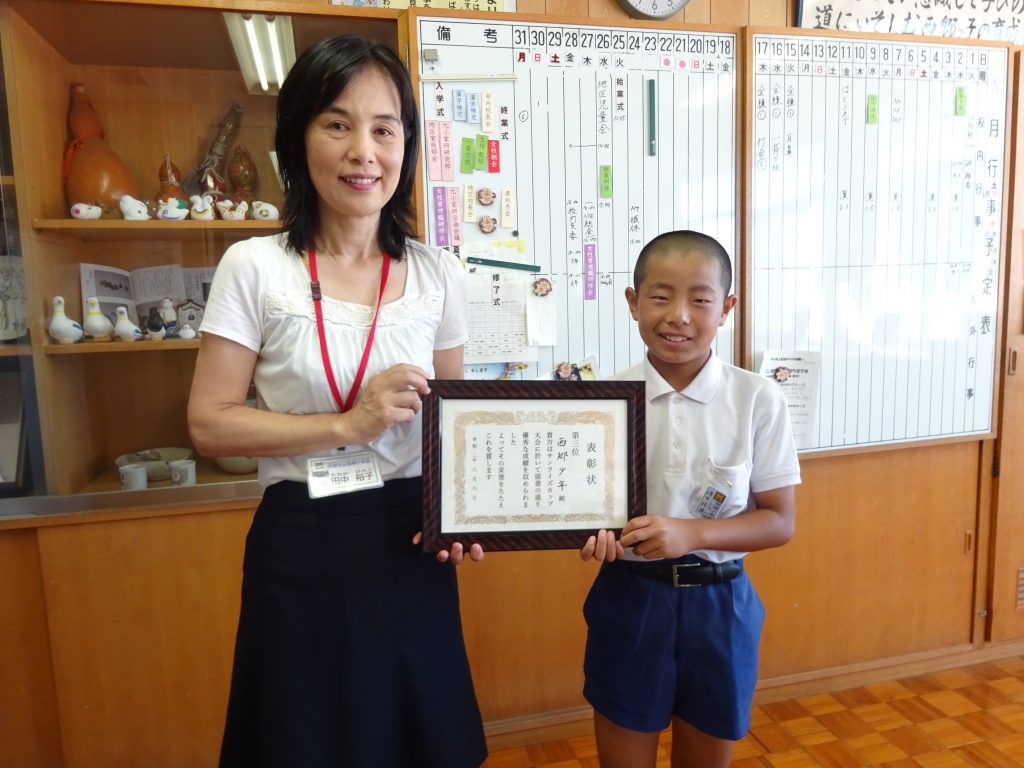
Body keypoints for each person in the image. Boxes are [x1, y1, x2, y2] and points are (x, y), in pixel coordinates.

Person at [187, 35, 487, 768]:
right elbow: (209, 424)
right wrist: (346, 424)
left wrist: (467, 513)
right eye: (337, 123)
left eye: (385, 129)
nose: (364, 151)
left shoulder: (437, 272)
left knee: (419, 739)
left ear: (406, 146)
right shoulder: (254, 266)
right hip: (304, 540)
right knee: (309, 740)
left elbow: (455, 419)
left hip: (413, 541)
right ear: (298, 136)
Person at [579, 230, 800, 768]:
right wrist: (583, 533)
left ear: (725, 309)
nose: (678, 315)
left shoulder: (757, 398)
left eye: (700, 299)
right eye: (659, 296)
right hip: (629, 599)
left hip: (722, 606)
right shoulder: (601, 399)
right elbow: (581, 511)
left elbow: (779, 521)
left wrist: (691, 534)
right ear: (633, 303)